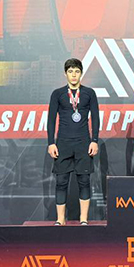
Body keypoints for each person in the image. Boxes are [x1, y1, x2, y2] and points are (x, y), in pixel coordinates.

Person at [47, 58, 100, 225]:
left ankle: (83, 219)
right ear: (65, 74)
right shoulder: (57, 94)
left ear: (81, 73)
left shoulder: (89, 93)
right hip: (63, 143)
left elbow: (96, 118)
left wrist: (94, 140)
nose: (74, 75)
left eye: (77, 71)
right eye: (70, 71)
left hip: (83, 143)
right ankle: (60, 219)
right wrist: (51, 143)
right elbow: (50, 119)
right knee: (61, 182)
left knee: (84, 181)